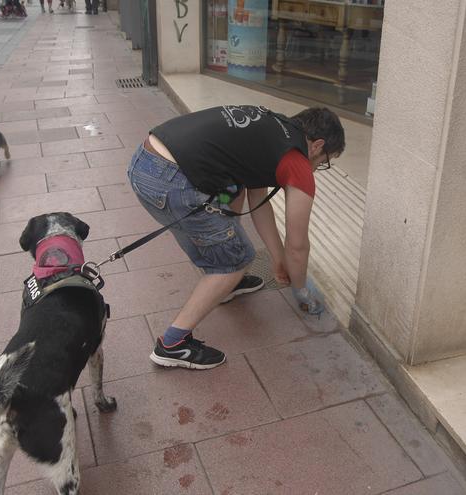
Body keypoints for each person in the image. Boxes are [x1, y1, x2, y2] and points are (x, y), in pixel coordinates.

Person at [128, 105, 345, 370]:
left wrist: (278, 259)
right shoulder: (297, 161)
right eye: (322, 162)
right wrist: (300, 290)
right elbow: (298, 245)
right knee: (236, 260)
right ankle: (173, 344)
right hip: (173, 183)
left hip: (144, 164)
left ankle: (226, 284)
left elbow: (259, 203)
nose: (316, 168)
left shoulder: (270, 128)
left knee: (233, 192)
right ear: (316, 145)